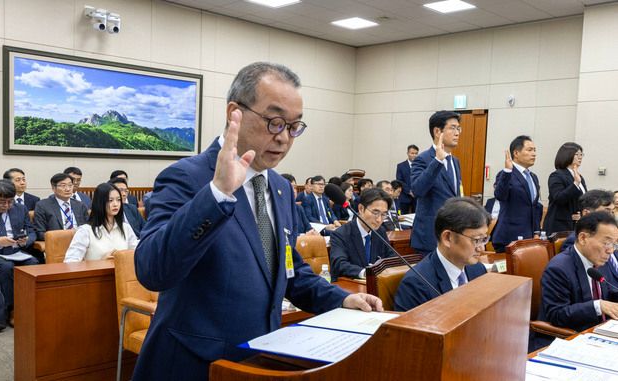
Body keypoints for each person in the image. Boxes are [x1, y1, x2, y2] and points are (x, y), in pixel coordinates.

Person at [132, 62, 382, 381]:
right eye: (275, 122)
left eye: (294, 127)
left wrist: (342, 299)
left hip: (257, 362)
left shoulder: (278, 187)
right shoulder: (188, 177)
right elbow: (152, 269)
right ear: (234, 112)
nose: (284, 138)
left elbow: (288, 270)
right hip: (193, 365)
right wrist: (217, 194)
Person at [394, 197, 489, 311]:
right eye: (476, 240)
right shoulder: (416, 284)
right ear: (447, 238)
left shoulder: (478, 269)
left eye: (484, 239)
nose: (481, 248)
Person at [538, 212, 618, 335]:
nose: (610, 250)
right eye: (606, 243)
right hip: (567, 336)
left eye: (614, 244)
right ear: (583, 238)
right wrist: (597, 306)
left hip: (600, 330)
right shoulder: (558, 268)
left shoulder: (600, 260)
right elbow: (557, 314)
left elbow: (610, 292)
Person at [411, 111, 462, 254]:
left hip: (451, 235)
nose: (457, 133)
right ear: (437, 131)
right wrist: (438, 161)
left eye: (458, 128)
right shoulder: (423, 159)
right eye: (452, 128)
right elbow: (417, 190)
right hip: (430, 237)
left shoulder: (455, 161)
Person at [0, 180, 38, 327]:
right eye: (2, 202)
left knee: (33, 263)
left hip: (16, 251)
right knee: (6, 268)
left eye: (10, 202)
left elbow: (31, 231)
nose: (7, 206)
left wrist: (26, 241)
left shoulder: (20, 208)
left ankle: (29, 307)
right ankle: (10, 310)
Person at [329, 188, 395, 281]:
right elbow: (340, 264)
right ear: (361, 208)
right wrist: (366, 273)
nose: (379, 219)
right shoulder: (341, 234)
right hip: (351, 286)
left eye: (383, 214)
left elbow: (391, 257)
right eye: (375, 213)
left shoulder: (380, 231)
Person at [491, 136, 542, 252]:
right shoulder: (506, 174)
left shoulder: (533, 177)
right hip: (509, 237)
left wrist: (536, 232)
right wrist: (507, 171)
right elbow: (500, 195)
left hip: (528, 237)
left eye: (535, 150)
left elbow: (535, 206)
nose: (534, 154)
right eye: (529, 150)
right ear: (516, 153)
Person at [64, 183, 138, 262]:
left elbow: (137, 254)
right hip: (95, 273)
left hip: (123, 273)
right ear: (99, 202)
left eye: (118, 200)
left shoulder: (125, 227)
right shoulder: (85, 231)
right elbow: (70, 262)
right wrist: (100, 263)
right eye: (110, 200)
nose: (116, 204)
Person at [543, 143, 587, 235]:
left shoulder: (579, 177)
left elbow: (582, 201)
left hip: (576, 226)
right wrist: (575, 184)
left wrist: (581, 215)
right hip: (560, 226)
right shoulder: (557, 175)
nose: (580, 157)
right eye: (577, 154)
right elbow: (559, 198)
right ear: (567, 154)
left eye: (581, 154)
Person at [33, 173, 89, 241]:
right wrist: (64, 237)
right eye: (63, 186)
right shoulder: (43, 205)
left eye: (70, 185)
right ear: (53, 188)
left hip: (80, 242)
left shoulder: (80, 205)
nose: (68, 189)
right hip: (57, 243)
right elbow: (40, 233)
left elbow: (88, 228)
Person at [396, 144, 419, 214]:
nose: (414, 155)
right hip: (404, 196)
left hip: (417, 197)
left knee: (416, 216)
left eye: (416, 153)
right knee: (402, 215)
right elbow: (400, 181)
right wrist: (409, 191)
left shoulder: (420, 166)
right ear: (408, 153)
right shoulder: (401, 166)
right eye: (412, 153)